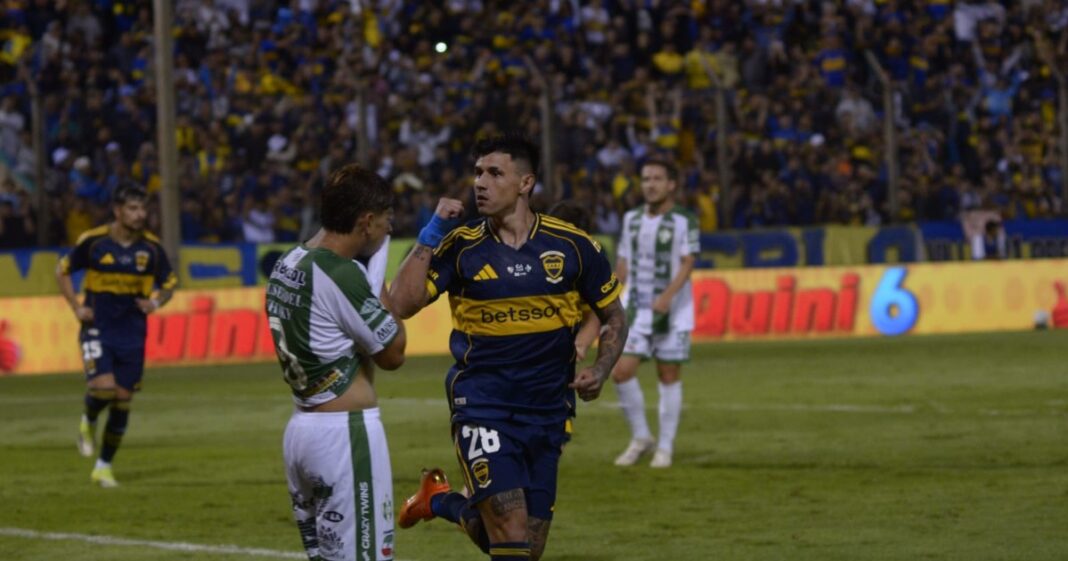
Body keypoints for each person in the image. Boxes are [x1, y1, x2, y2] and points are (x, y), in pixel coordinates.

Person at [388, 134, 628, 561]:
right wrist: (430, 232)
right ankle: (445, 501)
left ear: (525, 183)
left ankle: (439, 500)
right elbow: (401, 304)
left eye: (495, 173)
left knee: (522, 546)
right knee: (511, 528)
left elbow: (614, 315)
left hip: (548, 410)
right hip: (483, 405)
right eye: (478, 172)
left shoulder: (573, 246)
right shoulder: (460, 245)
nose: (480, 182)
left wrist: (601, 368)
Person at [265, 164, 406, 561]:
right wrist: (378, 285)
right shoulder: (340, 274)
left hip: (302, 432)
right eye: (385, 220)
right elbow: (393, 354)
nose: (388, 229)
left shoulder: (288, 263)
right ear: (366, 222)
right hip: (343, 435)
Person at [56, 185, 177, 487]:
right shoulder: (94, 242)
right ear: (118, 211)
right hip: (98, 326)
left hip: (133, 332)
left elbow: (170, 283)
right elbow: (62, 270)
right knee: (103, 389)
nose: (140, 215)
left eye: (143, 208)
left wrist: (155, 303)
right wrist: (76, 307)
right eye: (133, 209)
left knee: (123, 399)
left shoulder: (151, 248)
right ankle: (88, 419)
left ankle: (103, 467)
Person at [605, 157, 699, 469]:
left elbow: (688, 261)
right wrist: (607, 301)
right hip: (636, 308)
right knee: (621, 371)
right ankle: (642, 437)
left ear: (671, 184)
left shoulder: (685, 220)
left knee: (668, 374)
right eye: (646, 179)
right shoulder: (631, 219)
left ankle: (665, 448)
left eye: (657, 179)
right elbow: (623, 265)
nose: (650, 184)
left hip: (673, 310)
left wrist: (668, 296)